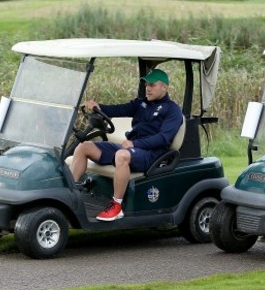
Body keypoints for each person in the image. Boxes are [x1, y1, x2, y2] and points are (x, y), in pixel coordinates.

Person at [70, 68, 183, 221]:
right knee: (84, 147)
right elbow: (119, 109)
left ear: (164, 87)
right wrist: (99, 107)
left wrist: (135, 143)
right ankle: (71, 195)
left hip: (151, 154)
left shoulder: (172, 110)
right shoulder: (141, 103)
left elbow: (163, 138)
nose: (147, 88)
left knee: (122, 155)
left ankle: (116, 207)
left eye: (152, 85)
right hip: (132, 149)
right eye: (146, 85)